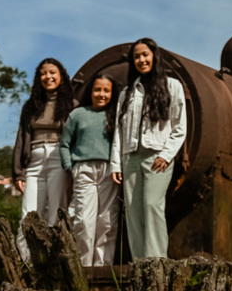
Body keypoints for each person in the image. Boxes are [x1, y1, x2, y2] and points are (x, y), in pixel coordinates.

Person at [111, 38, 187, 259]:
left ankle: (156, 262)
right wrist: (116, 163)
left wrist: (167, 154)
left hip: (157, 157)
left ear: (154, 55)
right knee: (133, 212)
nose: (141, 60)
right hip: (130, 156)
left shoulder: (172, 86)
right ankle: (139, 263)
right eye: (137, 56)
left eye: (145, 54)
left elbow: (179, 126)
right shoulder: (127, 92)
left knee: (153, 205)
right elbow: (119, 129)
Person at [12, 57, 75, 260]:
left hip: (59, 158)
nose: (48, 77)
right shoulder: (30, 106)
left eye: (52, 73)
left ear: (61, 76)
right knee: (28, 215)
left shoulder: (71, 105)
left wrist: (73, 168)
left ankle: (52, 262)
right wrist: (17, 173)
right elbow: (21, 138)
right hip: (34, 161)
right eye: (43, 73)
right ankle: (26, 262)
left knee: (56, 213)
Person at [60, 74, 121, 267]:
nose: (101, 94)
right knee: (84, 221)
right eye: (97, 89)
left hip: (109, 170)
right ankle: (84, 266)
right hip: (83, 169)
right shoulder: (77, 114)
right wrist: (70, 167)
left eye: (106, 90)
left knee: (107, 221)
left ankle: (103, 266)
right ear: (90, 91)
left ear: (111, 93)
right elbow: (64, 144)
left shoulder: (116, 115)